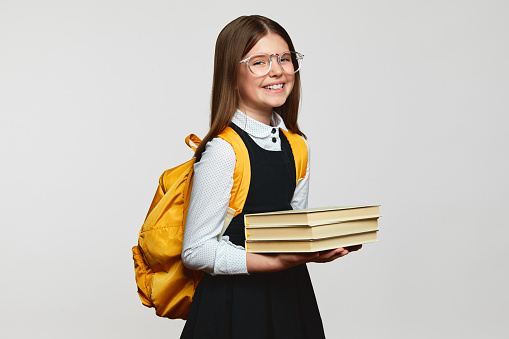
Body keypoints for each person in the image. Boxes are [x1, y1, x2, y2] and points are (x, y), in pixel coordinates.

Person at [180, 15, 361, 339]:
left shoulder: (298, 146)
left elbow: (292, 232)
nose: (276, 70)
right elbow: (196, 251)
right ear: (231, 75)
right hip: (233, 308)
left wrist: (317, 247)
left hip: (289, 299)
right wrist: (277, 262)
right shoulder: (224, 151)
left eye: (285, 58)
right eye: (259, 62)